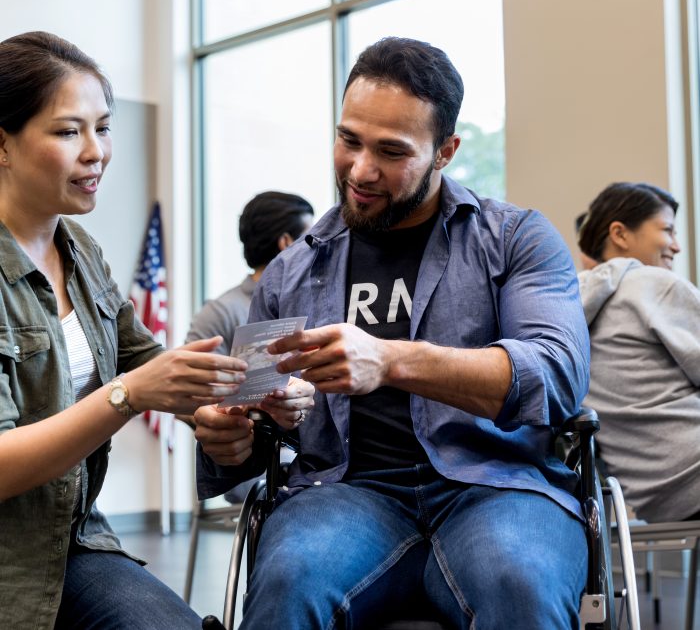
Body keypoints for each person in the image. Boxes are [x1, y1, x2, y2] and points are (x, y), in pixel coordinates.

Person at [195, 37, 590, 629]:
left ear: (446, 151)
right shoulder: (290, 271)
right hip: (344, 492)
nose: (360, 169)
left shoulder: (515, 240)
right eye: (348, 140)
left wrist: (391, 360)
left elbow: (554, 374)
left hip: (498, 485)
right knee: (287, 583)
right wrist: (231, 436)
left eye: (391, 151)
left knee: (520, 584)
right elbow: (253, 426)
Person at [0, 31, 310, 630]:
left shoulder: (80, 250)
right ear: (4, 144)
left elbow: (154, 364)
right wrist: (128, 395)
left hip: (74, 543)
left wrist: (246, 400)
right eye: (69, 132)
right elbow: (136, 385)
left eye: (103, 127)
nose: (97, 151)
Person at [577, 182, 700, 523]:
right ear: (620, 233)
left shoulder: (567, 309)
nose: (675, 246)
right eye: (667, 230)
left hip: (655, 499)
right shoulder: (654, 285)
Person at [186, 191, 314, 356]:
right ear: (286, 242)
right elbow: (190, 377)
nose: (315, 247)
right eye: (308, 239)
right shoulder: (220, 313)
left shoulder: (313, 303)